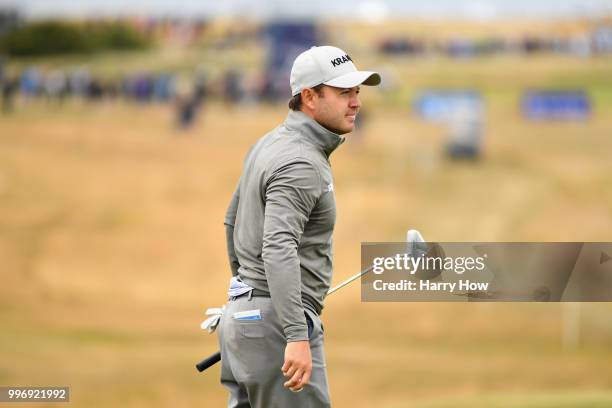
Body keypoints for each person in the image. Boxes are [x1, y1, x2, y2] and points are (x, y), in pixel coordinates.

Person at [219, 45, 380, 407]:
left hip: (246, 321)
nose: (356, 103)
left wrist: (245, 298)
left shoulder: (270, 143)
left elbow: (231, 220)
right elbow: (279, 246)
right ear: (309, 97)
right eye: (343, 93)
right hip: (276, 327)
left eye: (357, 92)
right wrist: (293, 333)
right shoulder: (302, 161)